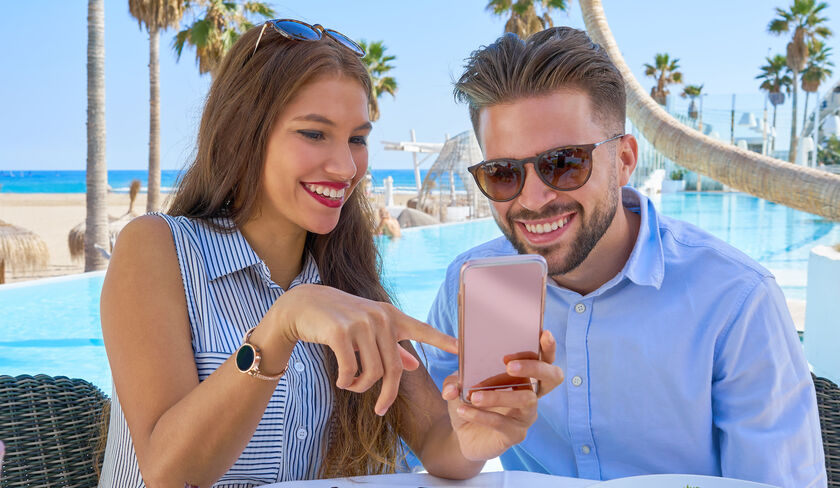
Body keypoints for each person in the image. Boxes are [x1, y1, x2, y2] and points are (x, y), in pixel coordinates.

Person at [98, 19, 564, 487]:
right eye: (314, 134)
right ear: (244, 132)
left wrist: (477, 434)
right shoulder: (157, 248)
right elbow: (169, 473)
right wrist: (280, 327)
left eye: (357, 139)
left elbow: (442, 444)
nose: (345, 167)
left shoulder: (348, 278)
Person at [424, 27, 826, 487]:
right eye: (502, 173)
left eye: (564, 163)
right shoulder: (470, 285)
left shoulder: (736, 301)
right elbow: (440, 455)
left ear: (625, 159)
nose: (533, 199)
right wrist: (470, 443)